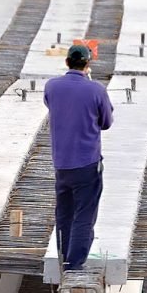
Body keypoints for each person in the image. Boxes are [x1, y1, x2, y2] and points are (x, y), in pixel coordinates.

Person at [43, 43, 114, 272]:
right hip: (87, 164)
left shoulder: (52, 86)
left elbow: (51, 104)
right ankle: (74, 266)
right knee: (84, 215)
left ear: (66, 63)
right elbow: (106, 122)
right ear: (88, 63)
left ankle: (64, 258)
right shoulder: (96, 90)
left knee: (64, 215)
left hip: (61, 164)